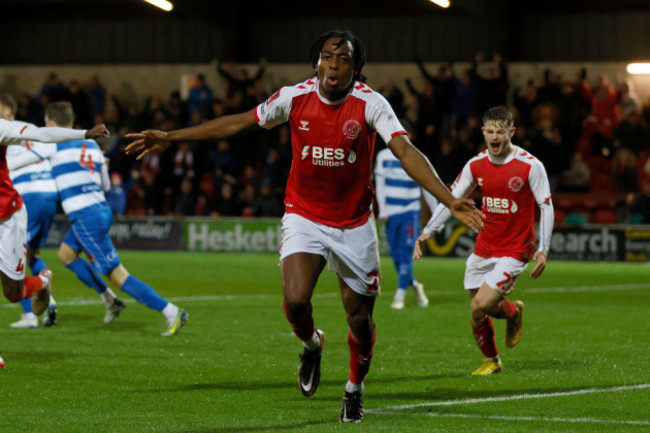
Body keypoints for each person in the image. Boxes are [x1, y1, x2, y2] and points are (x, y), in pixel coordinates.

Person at [126, 30, 485, 422]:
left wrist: (449, 198)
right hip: (304, 216)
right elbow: (237, 124)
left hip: (353, 224)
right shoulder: (293, 97)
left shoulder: (371, 104)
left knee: (360, 322)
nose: (334, 63)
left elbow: (404, 150)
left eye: (343, 58)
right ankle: (312, 344)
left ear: (355, 69)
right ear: (316, 63)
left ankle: (354, 388)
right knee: (296, 300)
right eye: (328, 56)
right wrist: (171, 137)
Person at [414, 106, 554, 376]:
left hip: (515, 248)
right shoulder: (475, 164)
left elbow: (546, 206)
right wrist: (428, 231)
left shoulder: (530, 165)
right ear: (483, 132)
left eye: (500, 132)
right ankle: (492, 361)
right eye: (490, 131)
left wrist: (543, 249)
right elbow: (452, 198)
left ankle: (512, 313)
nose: (494, 137)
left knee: (483, 304)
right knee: (477, 311)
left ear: (511, 132)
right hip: (485, 245)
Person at [44, 101, 188, 336]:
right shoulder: (91, 145)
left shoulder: (52, 147)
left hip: (84, 216)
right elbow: (106, 185)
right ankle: (109, 300)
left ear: (50, 123)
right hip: (99, 208)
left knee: (117, 274)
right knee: (66, 254)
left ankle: (170, 311)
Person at [0, 93, 109, 368]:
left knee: (13, 292)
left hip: (8, 218)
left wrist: (84, 133)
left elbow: (41, 134)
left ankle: (43, 281)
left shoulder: (2, 127)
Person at [3, 93, 59, 328]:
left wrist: (14, 165)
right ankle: (47, 292)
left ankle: (29, 315)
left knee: (14, 254)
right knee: (30, 254)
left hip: (26, 196)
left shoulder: (7, 130)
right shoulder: (30, 129)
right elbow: (51, 147)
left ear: (8, 111)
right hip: (48, 194)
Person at [374, 119, 437, 310]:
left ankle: (400, 294)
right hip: (390, 214)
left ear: (409, 136)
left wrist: (436, 214)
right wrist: (382, 209)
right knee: (396, 257)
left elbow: (429, 186)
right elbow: (380, 185)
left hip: (410, 211)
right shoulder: (384, 156)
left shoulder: (417, 157)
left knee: (406, 253)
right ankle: (415, 285)